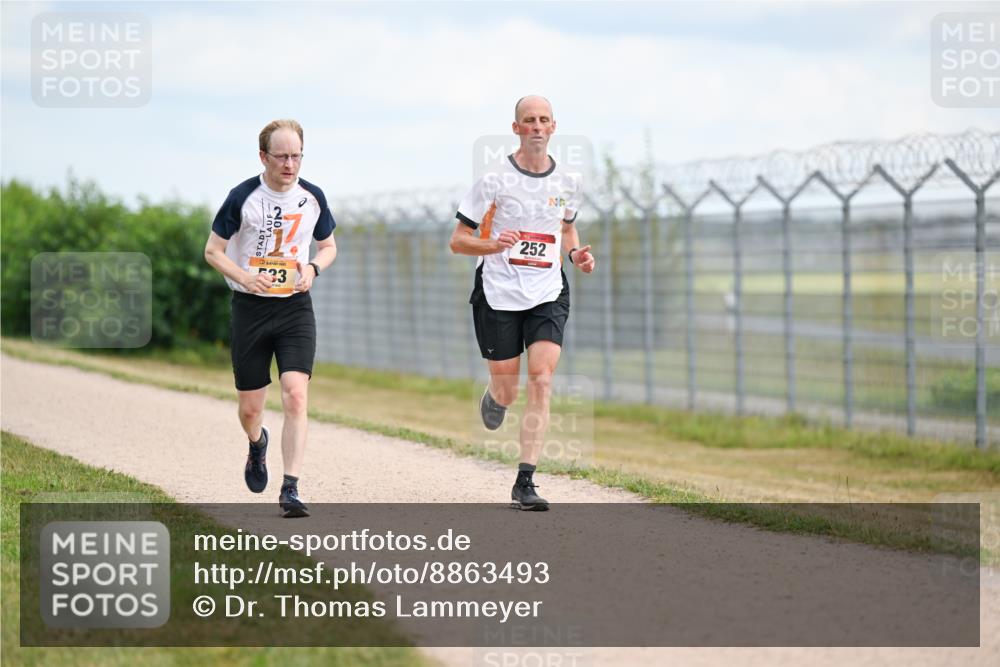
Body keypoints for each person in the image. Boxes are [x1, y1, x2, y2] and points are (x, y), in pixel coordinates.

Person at [449, 96, 595, 511]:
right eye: (529, 120)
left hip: (547, 290)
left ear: (553, 127)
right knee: (509, 389)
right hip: (498, 292)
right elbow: (458, 241)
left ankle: (525, 482)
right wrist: (493, 244)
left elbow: (567, 229)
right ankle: (496, 395)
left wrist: (576, 255)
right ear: (516, 128)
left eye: (543, 120)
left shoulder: (568, 181)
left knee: (542, 378)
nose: (536, 126)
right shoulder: (493, 180)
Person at [204, 119, 337, 518]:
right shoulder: (242, 197)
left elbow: (329, 246)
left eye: (296, 156)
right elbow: (212, 251)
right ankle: (256, 442)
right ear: (263, 156)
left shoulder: (312, 197)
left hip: (295, 307)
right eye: (281, 156)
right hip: (250, 309)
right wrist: (245, 277)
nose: (290, 165)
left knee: (295, 393)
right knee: (250, 409)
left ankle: (291, 487)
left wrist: (312, 268)